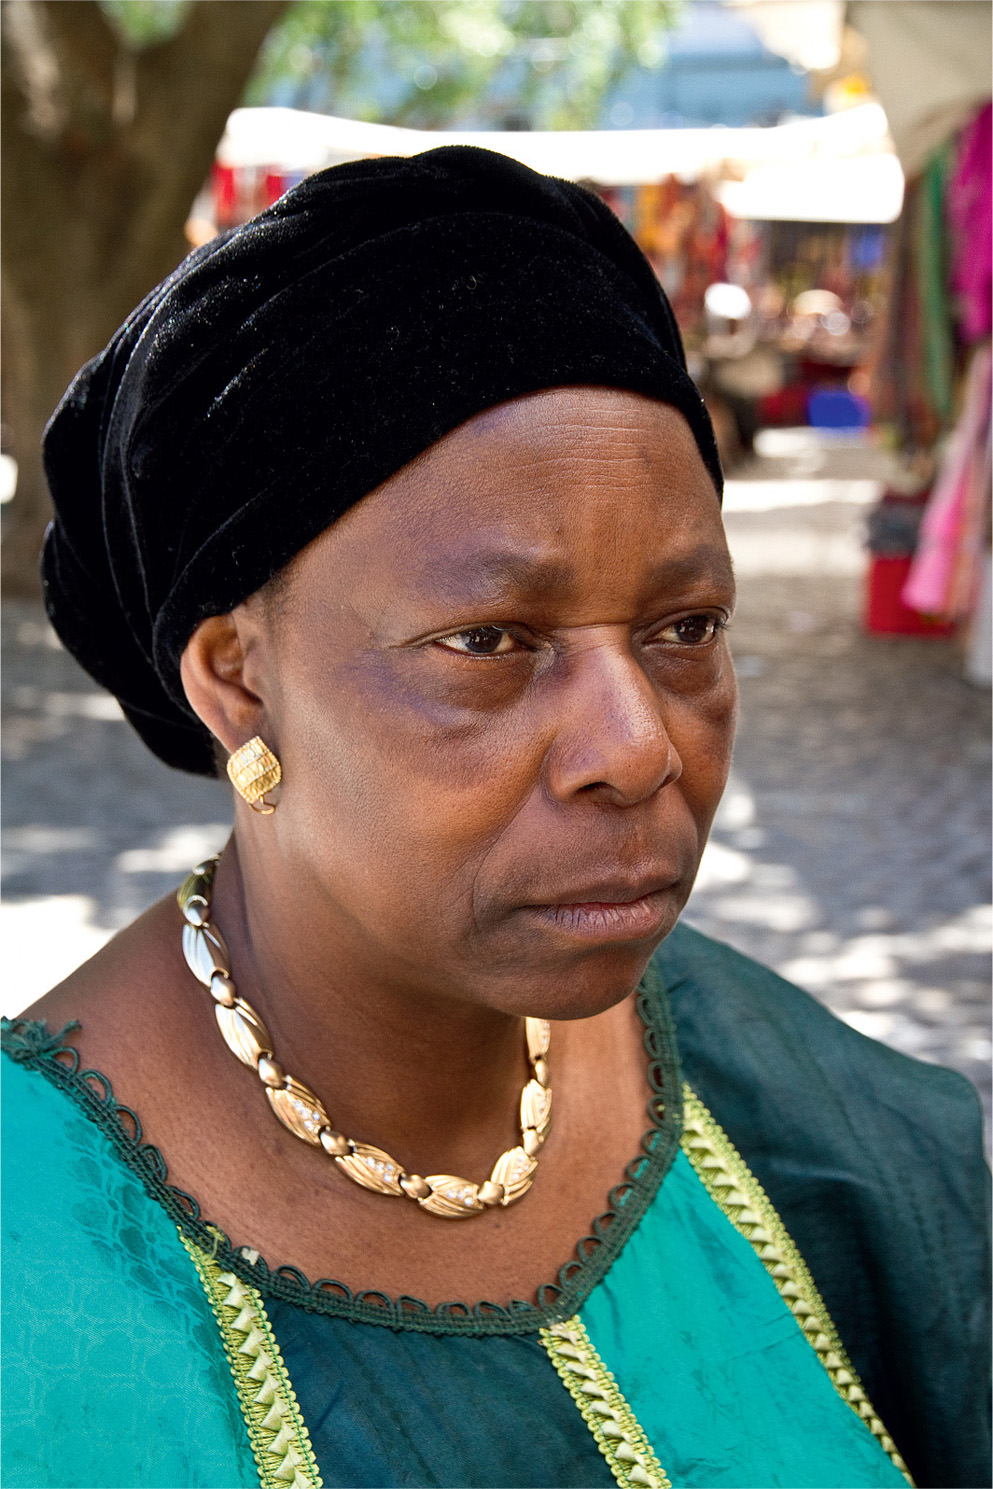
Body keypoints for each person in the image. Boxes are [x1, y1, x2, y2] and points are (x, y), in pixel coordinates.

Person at [2, 146, 988, 1489]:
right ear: (237, 680)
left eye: (683, 627)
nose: (637, 746)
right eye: (492, 640)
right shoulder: (38, 1263)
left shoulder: (801, 1110)